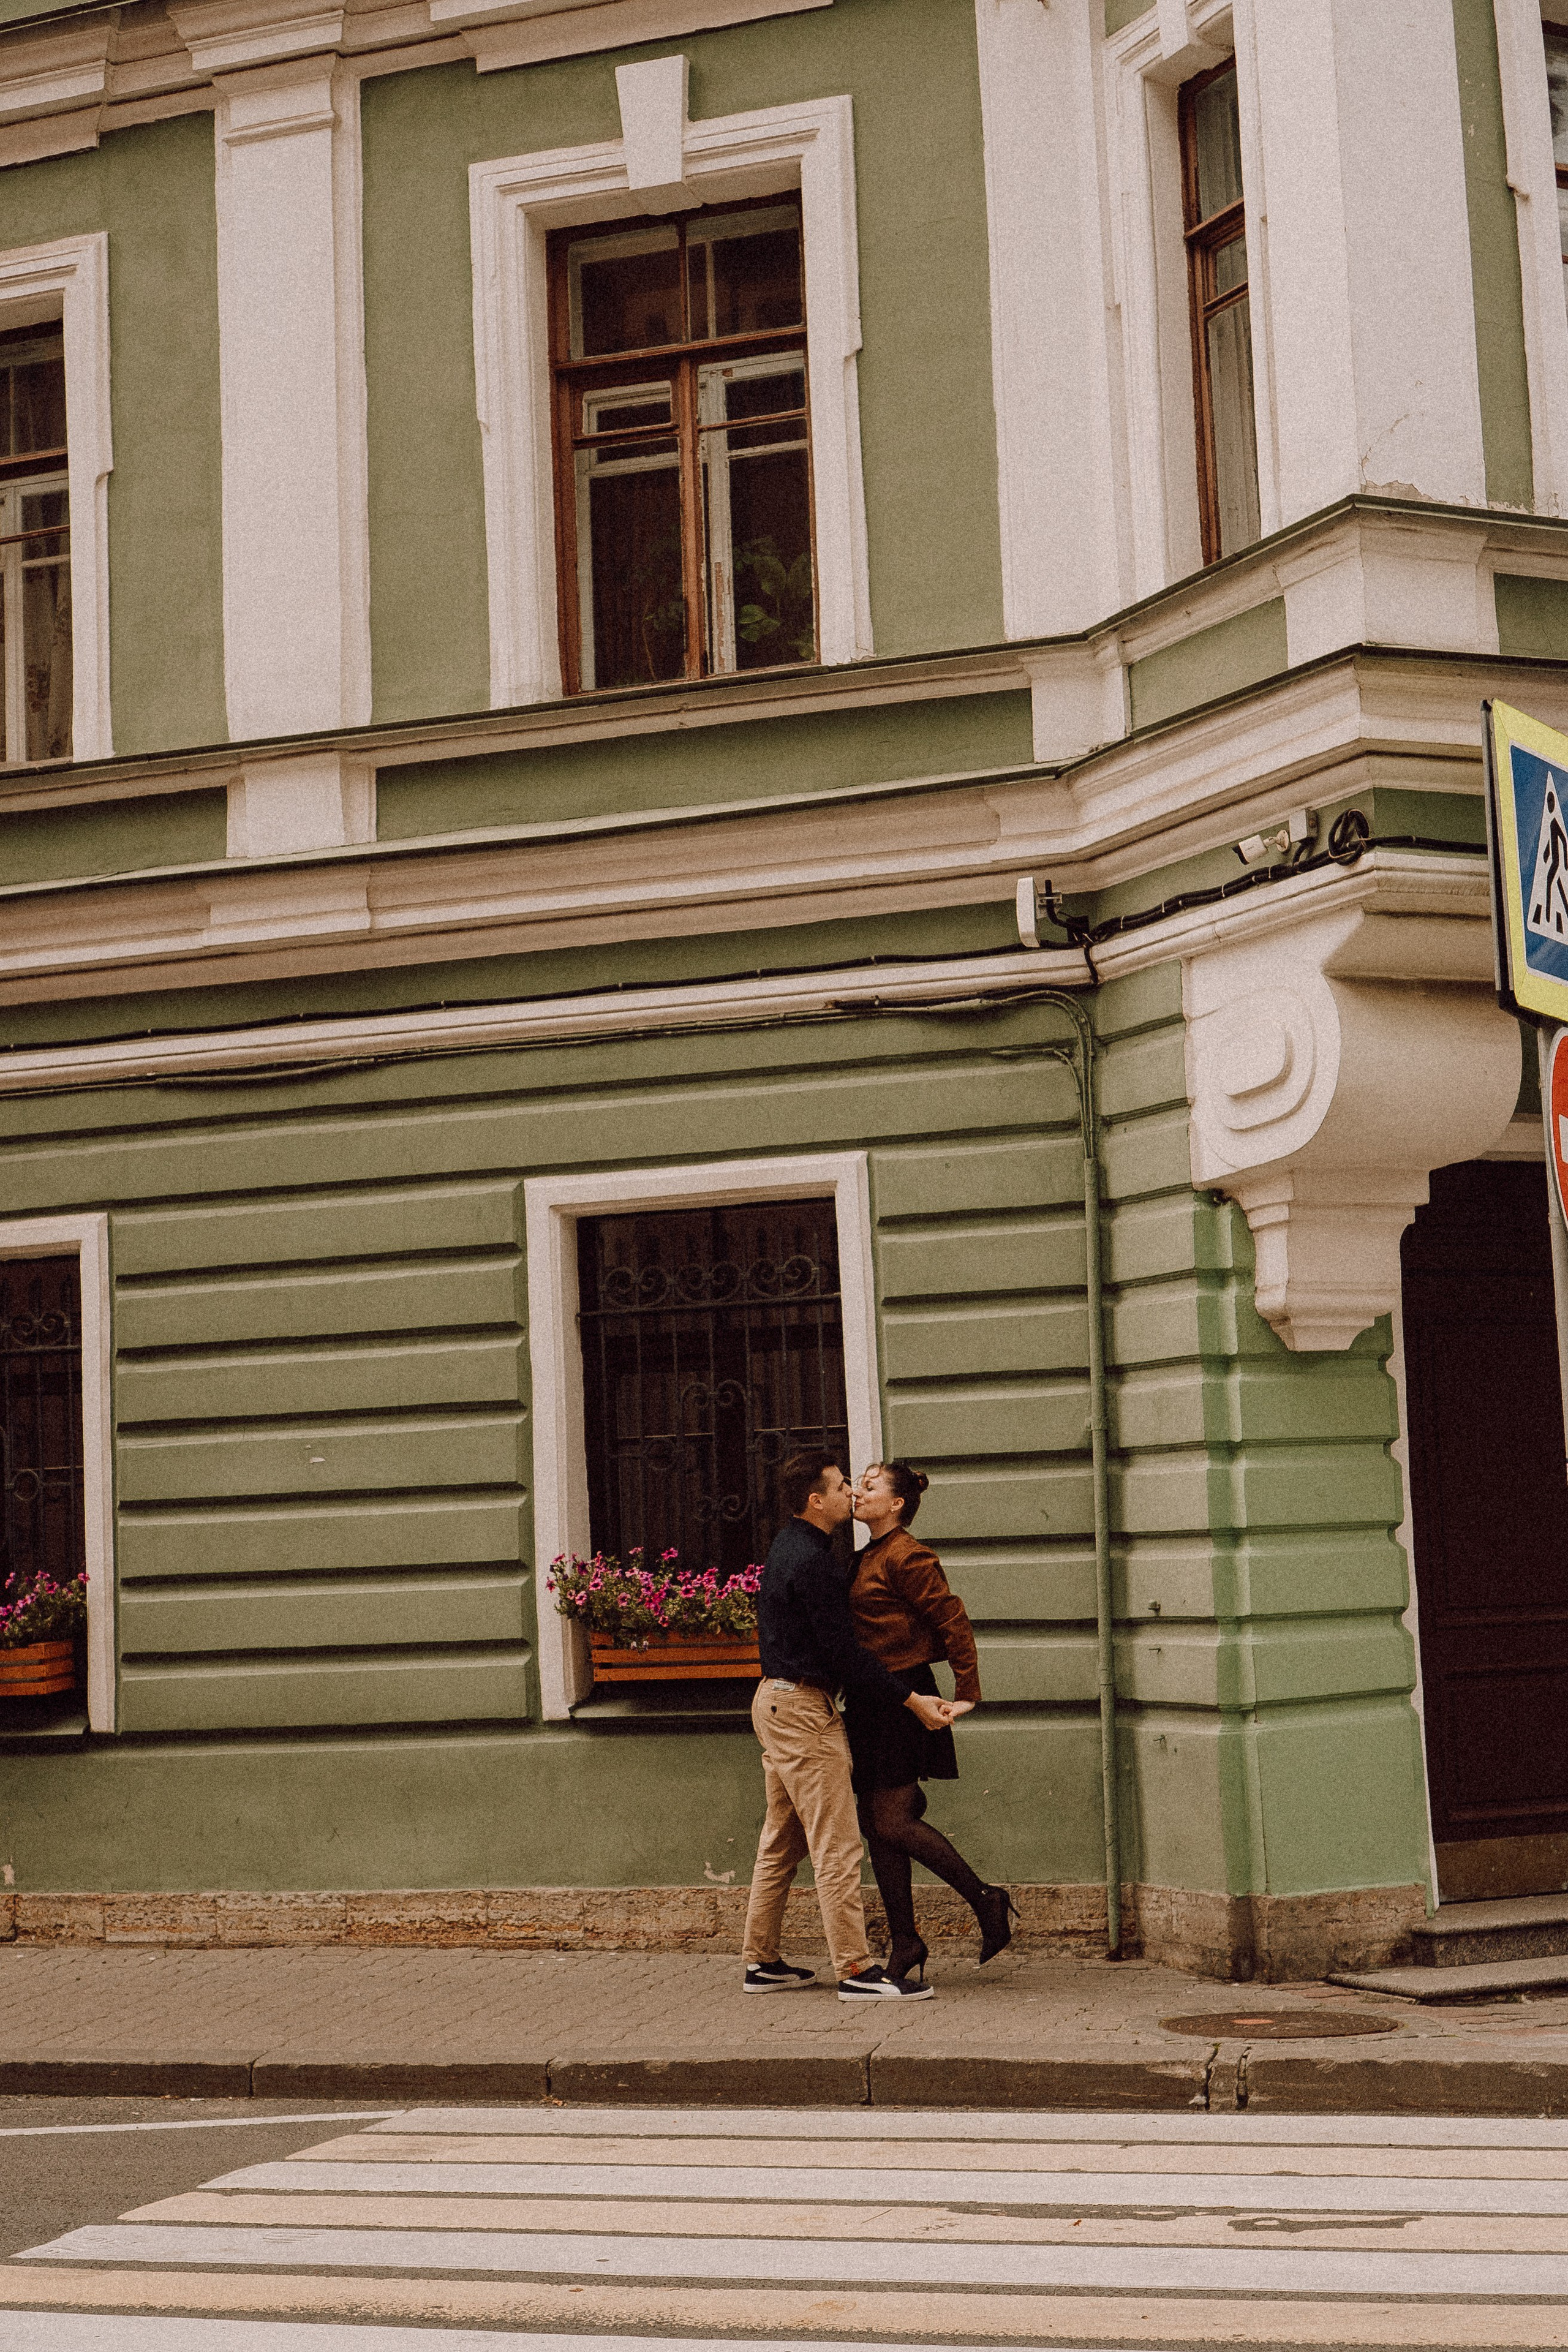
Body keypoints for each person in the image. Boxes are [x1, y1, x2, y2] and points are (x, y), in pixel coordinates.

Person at [741, 1447, 952, 2002]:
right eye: (841, 1487)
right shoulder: (813, 1562)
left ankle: (761, 1962)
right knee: (837, 1846)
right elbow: (845, 1655)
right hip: (802, 1712)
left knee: (782, 1842)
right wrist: (913, 1700)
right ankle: (856, 1970)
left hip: (775, 1703)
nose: (851, 1492)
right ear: (817, 1501)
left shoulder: (791, 1545)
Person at [846, 1460, 1017, 1984]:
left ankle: (985, 1899)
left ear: (897, 1503)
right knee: (878, 1825)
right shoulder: (867, 1554)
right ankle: (905, 1942)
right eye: (858, 1485)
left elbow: (952, 1619)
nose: (858, 1492)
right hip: (872, 1699)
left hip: (904, 1697)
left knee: (893, 1821)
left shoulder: (908, 1554)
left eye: (870, 1487)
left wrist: (967, 1693)